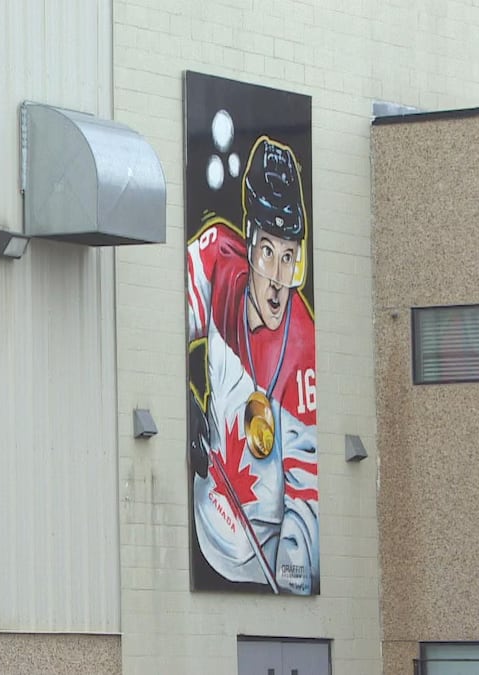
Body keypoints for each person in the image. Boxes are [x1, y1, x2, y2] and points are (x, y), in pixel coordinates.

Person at [186, 136, 319, 595]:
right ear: (248, 240)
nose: (279, 281)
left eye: (289, 258)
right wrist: (181, 402)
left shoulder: (303, 351)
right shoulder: (217, 260)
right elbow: (156, 320)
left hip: (254, 579)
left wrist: (286, 601)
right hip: (198, 538)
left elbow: (306, 506)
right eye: (268, 253)